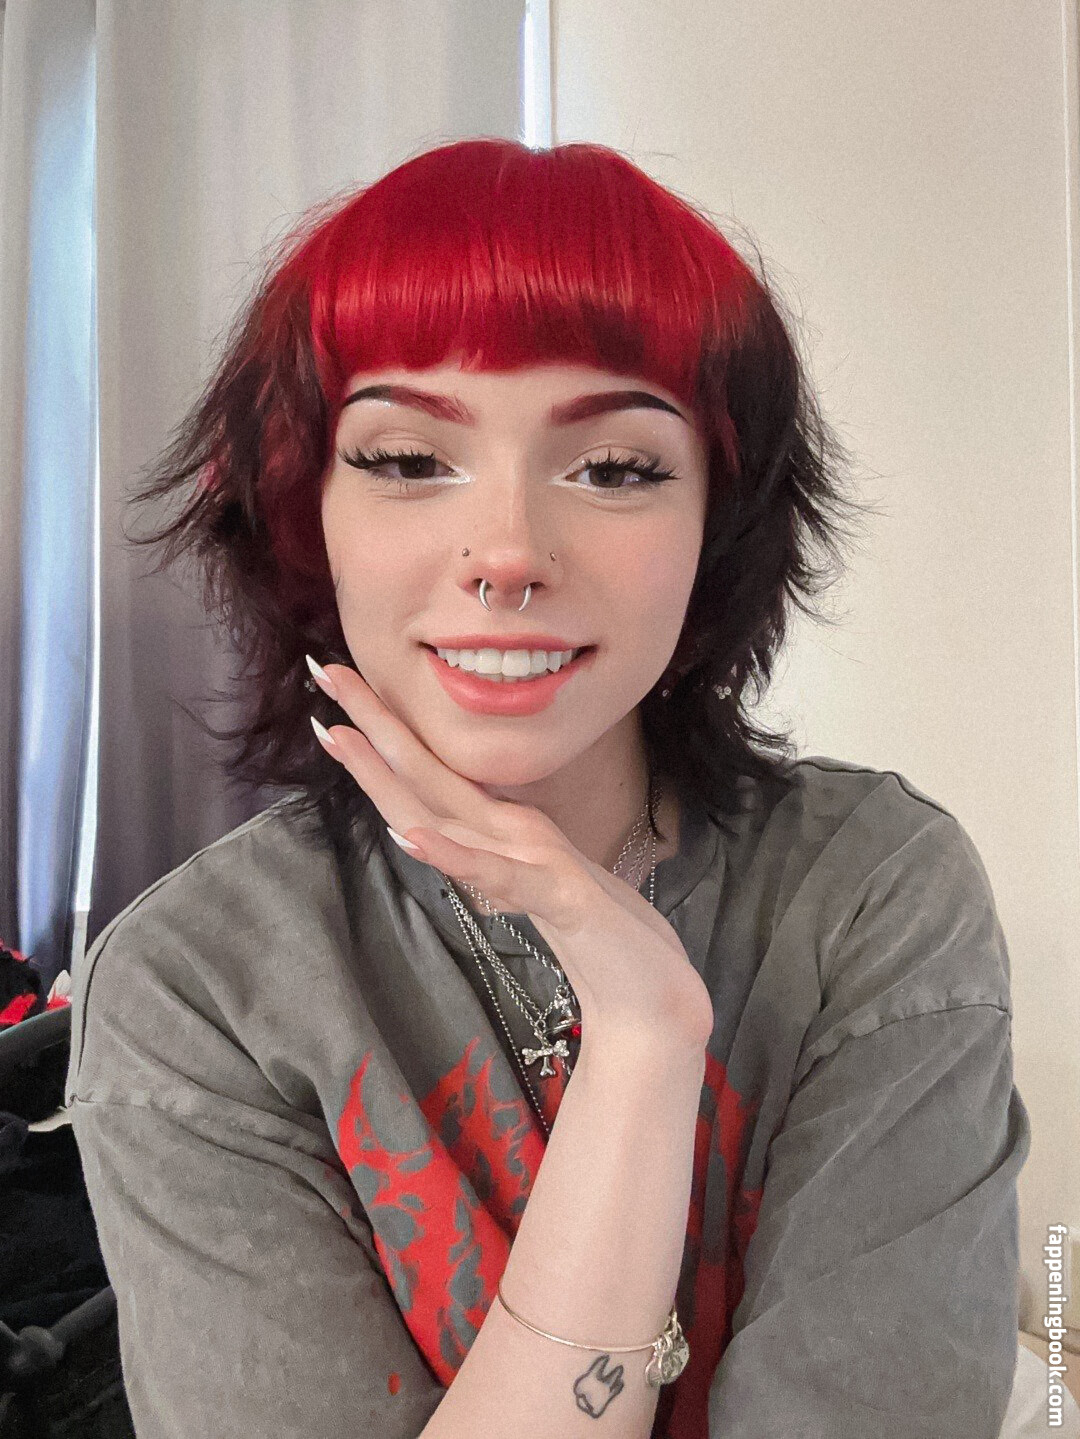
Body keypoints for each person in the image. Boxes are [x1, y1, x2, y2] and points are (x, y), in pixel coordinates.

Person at [65, 138, 1030, 1439]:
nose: (509, 552)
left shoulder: (871, 893)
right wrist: (640, 1039)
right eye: (408, 460)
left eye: (617, 469)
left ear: (719, 523)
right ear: (303, 513)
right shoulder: (195, 984)